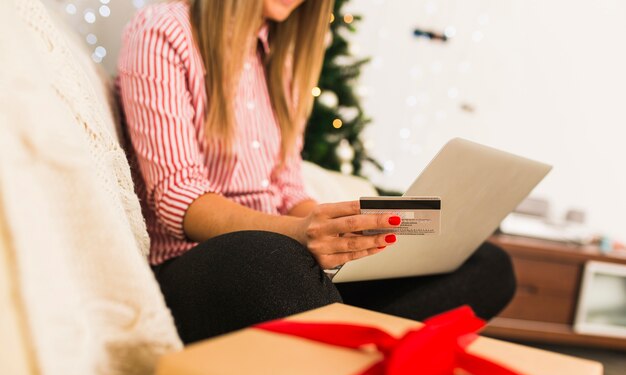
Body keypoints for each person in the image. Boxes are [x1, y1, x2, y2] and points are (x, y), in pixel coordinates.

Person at [117, 0, 515, 344]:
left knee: (488, 265)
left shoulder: (280, 59)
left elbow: (288, 190)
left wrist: (342, 230)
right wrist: (299, 233)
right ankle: (346, 334)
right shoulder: (164, 32)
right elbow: (178, 199)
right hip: (201, 263)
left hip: (284, 262)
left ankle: (338, 334)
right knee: (276, 262)